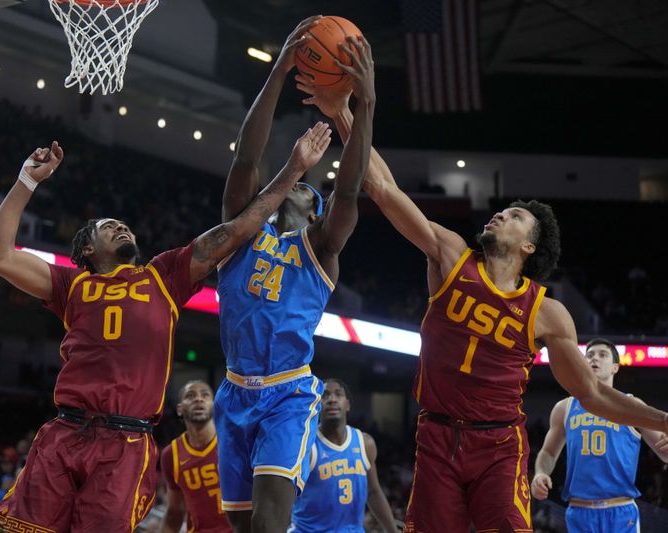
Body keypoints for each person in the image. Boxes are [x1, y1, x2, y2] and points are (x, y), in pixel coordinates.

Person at [294, 76, 668, 533]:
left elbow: (591, 394)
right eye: (503, 210)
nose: (500, 214)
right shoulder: (450, 254)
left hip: (499, 446)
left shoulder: (547, 312)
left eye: (514, 217)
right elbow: (384, 187)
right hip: (435, 437)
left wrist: (663, 419)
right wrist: (341, 112)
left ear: (529, 247)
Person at [0, 122, 331, 531]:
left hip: (125, 441)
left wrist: (294, 169)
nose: (121, 226)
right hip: (65, 429)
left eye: (123, 224)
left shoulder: (163, 276)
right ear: (87, 249)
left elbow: (234, 232)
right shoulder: (69, 285)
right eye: (107, 225)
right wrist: (26, 180)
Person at [214, 16, 375, 533]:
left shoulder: (320, 250)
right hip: (234, 392)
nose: (302, 190)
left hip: (288, 396)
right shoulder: (241, 234)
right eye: (296, 186)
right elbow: (246, 158)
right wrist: (280, 70)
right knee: (241, 527)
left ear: (315, 213)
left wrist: (365, 105)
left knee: (268, 523)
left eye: (310, 193)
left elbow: (348, 193)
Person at [531, 339, 668, 532]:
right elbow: (548, 453)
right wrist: (540, 473)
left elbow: (663, 452)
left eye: (602, 355)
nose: (594, 358)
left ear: (615, 367)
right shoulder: (564, 407)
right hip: (580, 510)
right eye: (590, 355)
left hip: (620, 510)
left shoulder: (632, 405)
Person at [290, 379, 397, 533]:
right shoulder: (306, 446)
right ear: (317, 405)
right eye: (325, 395)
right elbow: (283, 500)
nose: (332, 399)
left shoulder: (365, 443)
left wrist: (392, 530)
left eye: (338, 394)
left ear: (348, 404)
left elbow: (373, 492)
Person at [160, 380, 231, 533]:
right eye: (190, 396)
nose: (199, 399)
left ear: (214, 404)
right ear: (179, 409)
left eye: (205, 395)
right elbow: (174, 513)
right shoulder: (170, 454)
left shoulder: (233, 442)